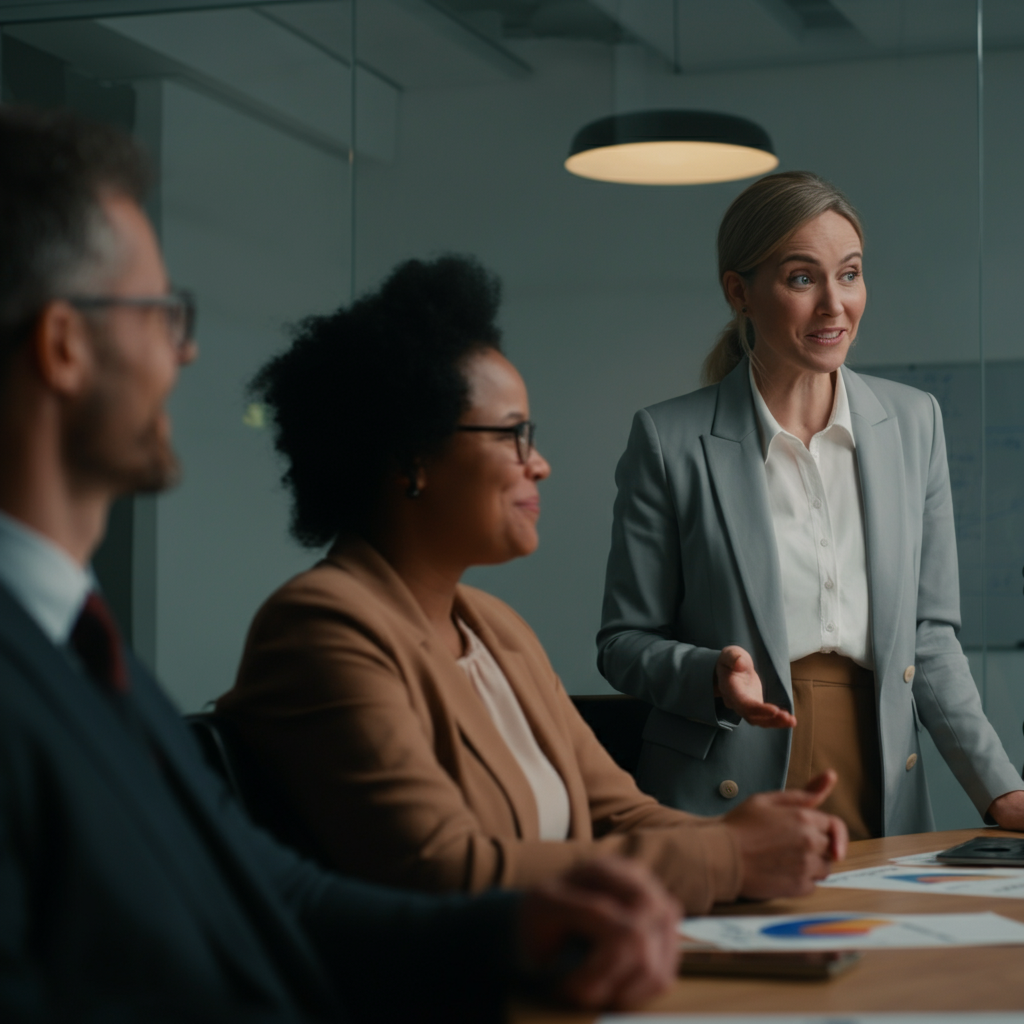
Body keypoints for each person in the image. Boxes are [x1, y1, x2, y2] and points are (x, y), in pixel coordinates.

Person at [0, 106, 684, 1024]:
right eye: (161, 313)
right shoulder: (296, 628)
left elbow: (270, 894)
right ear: (63, 346)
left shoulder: (80, 649)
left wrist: (510, 933)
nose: (187, 349)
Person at [215, 254, 847, 916]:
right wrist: (730, 857)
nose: (539, 465)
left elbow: (622, 814)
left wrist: (766, 841)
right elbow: (439, 868)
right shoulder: (320, 629)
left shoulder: (495, 627)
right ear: (413, 458)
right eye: (514, 436)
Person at [598, 170, 1024, 840]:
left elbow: (930, 642)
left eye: (849, 274)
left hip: (877, 772)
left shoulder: (915, 423)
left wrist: (1001, 788)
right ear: (739, 292)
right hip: (725, 773)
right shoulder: (668, 438)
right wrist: (710, 674)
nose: (835, 304)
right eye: (802, 279)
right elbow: (623, 643)